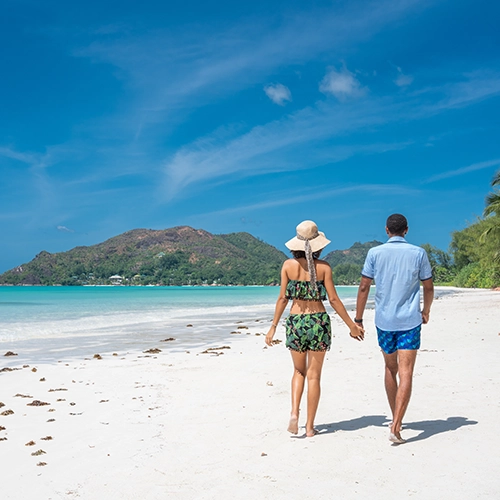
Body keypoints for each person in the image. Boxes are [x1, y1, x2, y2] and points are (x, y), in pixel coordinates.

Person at [265, 220, 364, 437]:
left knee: (298, 371)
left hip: (296, 322)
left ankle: (293, 413)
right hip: (318, 322)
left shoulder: (287, 266)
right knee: (314, 376)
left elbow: (282, 298)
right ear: (318, 245)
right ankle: (310, 428)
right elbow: (334, 300)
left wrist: (272, 327)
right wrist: (352, 326)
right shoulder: (324, 268)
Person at [355, 214, 434, 444]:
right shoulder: (418, 253)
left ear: (387, 230)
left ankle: (395, 417)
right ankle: (396, 424)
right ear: (406, 230)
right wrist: (426, 310)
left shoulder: (374, 253)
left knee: (390, 369)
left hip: (384, 322)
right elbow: (428, 287)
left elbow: (363, 287)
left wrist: (358, 320)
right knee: (406, 371)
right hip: (410, 321)